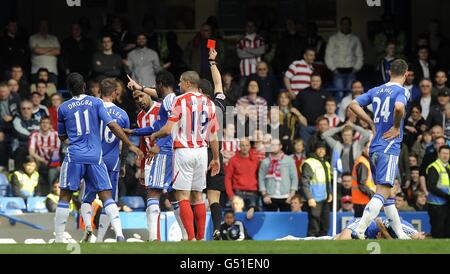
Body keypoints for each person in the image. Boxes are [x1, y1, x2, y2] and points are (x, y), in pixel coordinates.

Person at [54, 72, 143, 243]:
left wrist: (74, 141)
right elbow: (112, 125)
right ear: (85, 87)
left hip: (75, 156)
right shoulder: (95, 103)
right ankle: (119, 234)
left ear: (68, 89)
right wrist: (130, 144)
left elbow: (62, 136)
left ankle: (59, 238)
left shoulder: (63, 108)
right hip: (96, 157)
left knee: (65, 194)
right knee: (106, 195)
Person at [148, 71, 220, 241]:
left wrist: (154, 135)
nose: (178, 85)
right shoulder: (210, 104)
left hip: (183, 151)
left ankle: (191, 238)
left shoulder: (180, 101)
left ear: (188, 83)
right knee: (198, 196)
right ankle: (201, 238)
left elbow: (167, 129)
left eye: (180, 82)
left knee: (182, 196)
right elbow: (214, 135)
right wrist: (216, 158)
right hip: (202, 152)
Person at [348, 58, 411, 239]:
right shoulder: (402, 91)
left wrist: (371, 122)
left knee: (388, 193)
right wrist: (396, 126)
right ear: (405, 74)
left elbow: (353, 105)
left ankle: (400, 233)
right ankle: (359, 229)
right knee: (383, 191)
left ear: (390, 72)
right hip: (389, 147)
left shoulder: (376, 90)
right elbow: (399, 107)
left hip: (374, 148)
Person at [78, 78, 131, 243]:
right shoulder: (122, 114)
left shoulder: (92, 110)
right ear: (115, 93)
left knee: (88, 197)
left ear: (99, 91)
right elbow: (125, 142)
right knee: (110, 199)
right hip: (112, 161)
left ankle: (88, 229)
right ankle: (115, 235)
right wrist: (122, 164)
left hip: (93, 159)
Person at [325, 17, 363, 99]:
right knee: (339, 94)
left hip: (351, 71)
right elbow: (328, 55)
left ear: (350, 25)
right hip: (337, 71)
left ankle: (351, 111)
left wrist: (356, 68)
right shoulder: (333, 38)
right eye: (343, 24)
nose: (345, 26)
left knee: (351, 94)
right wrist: (333, 68)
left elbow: (360, 55)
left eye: (347, 24)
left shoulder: (355, 39)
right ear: (340, 25)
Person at [301, 141, 332, 237]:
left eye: (323, 148)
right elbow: (304, 182)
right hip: (314, 199)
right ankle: (310, 248)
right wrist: (309, 198)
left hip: (325, 198)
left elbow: (328, 180)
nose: (321, 150)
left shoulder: (326, 163)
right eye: (319, 148)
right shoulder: (309, 163)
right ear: (315, 150)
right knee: (314, 227)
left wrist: (329, 193)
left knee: (325, 225)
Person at [258, 138, 298, 212]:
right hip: (270, 196)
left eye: (275, 145)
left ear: (280, 146)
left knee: (285, 222)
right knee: (271, 221)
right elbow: (261, 179)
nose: (273, 147)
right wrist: (265, 195)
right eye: (271, 145)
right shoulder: (265, 162)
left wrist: (291, 195)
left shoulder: (289, 160)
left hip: (286, 196)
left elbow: (294, 178)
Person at [225, 137, 260, 216]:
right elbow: (228, 178)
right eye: (243, 145)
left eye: (247, 145)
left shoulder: (256, 160)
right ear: (239, 147)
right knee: (238, 214)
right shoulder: (233, 160)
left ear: (250, 146)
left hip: (252, 193)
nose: (245, 147)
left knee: (252, 214)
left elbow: (259, 176)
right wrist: (231, 195)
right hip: (238, 193)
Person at [294, 74, 331, 143]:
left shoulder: (326, 93)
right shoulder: (303, 93)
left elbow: (331, 107)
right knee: (305, 147)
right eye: (313, 81)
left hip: (320, 127)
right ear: (310, 81)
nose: (315, 83)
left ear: (321, 82)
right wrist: (300, 116)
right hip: (305, 127)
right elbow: (293, 108)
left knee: (320, 148)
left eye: (317, 81)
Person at [28, 116, 60, 192]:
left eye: (47, 123)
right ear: (39, 124)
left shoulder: (56, 135)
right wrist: (42, 160)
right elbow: (31, 152)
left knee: (52, 171)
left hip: (53, 162)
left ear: (50, 125)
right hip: (39, 161)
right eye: (43, 122)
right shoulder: (35, 135)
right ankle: (35, 192)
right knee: (32, 161)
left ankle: (50, 193)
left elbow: (57, 152)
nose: (45, 125)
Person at [425, 145, 450, 238]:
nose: (445, 155)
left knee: (447, 232)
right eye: (443, 153)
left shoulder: (448, 167)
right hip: (436, 205)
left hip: (446, 204)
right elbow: (431, 186)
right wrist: (446, 196)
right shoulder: (434, 167)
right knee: (438, 232)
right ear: (438, 154)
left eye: (447, 153)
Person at [334, 217, 425, 240]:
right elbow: (378, 221)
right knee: (342, 240)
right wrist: (387, 236)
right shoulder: (400, 225)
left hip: (369, 237)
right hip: (364, 225)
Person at [29, 19, 60, 84]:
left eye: (45, 25)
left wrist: (41, 50)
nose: (44, 27)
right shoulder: (33, 38)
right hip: (36, 71)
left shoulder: (54, 38)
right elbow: (36, 51)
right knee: (37, 92)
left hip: (52, 71)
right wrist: (52, 48)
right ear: (39, 26)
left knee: (52, 92)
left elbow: (57, 51)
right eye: (42, 25)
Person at [351, 140, 376, 217]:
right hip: (363, 201)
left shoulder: (365, 161)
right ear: (364, 148)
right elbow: (362, 184)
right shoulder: (363, 163)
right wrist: (373, 195)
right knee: (364, 226)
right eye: (369, 147)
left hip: (362, 201)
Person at [12, 100, 40, 166]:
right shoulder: (16, 120)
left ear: (32, 109)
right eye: (23, 108)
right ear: (20, 109)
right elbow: (22, 135)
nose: (26, 110)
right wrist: (33, 134)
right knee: (20, 151)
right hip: (21, 146)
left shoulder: (37, 120)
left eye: (28, 108)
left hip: (35, 146)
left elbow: (40, 134)